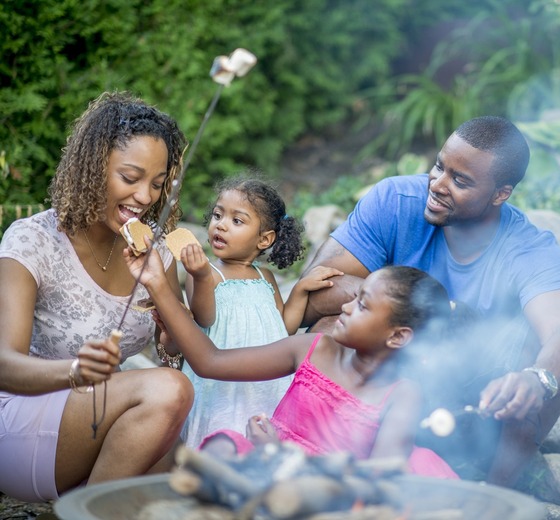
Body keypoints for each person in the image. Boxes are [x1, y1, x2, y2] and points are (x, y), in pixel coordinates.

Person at [298, 115, 560, 488]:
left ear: (500, 194)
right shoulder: (395, 200)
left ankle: (494, 497)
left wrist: (537, 379)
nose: (437, 184)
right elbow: (314, 293)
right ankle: (309, 448)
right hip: (388, 370)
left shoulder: (526, 249)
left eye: (461, 181)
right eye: (439, 166)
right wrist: (428, 313)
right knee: (332, 328)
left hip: (470, 402)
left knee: (540, 363)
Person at [0, 91, 194, 502]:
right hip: (20, 419)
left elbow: (175, 351)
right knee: (169, 391)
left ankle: (88, 508)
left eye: (157, 185)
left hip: (95, 421)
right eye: (130, 178)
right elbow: (2, 365)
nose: (145, 197)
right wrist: (74, 371)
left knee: (186, 459)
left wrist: (171, 333)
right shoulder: (33, 240)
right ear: (91, 169)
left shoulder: (155, 252)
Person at [127, 244, 460, 479]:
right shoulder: (314, 349)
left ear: (398, 336)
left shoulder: (401, 394)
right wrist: (157, 284)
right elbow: (210, 361)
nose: (344, 308)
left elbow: (378, 479)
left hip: (330, 492)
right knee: (224, 447)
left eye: (362, 305)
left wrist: (284, 456)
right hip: (268, 469)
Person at [175, 174, 342, 448]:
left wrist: (300, 290)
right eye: (218, 215)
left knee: (261, 447)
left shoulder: (265, 277)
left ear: (264, 239)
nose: (221, 226)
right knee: (224, 442)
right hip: (224, 385)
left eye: (236, 220)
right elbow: (205, 318)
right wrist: (201, 275)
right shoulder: (206, 273)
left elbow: (283, 328)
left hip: (265, 383)